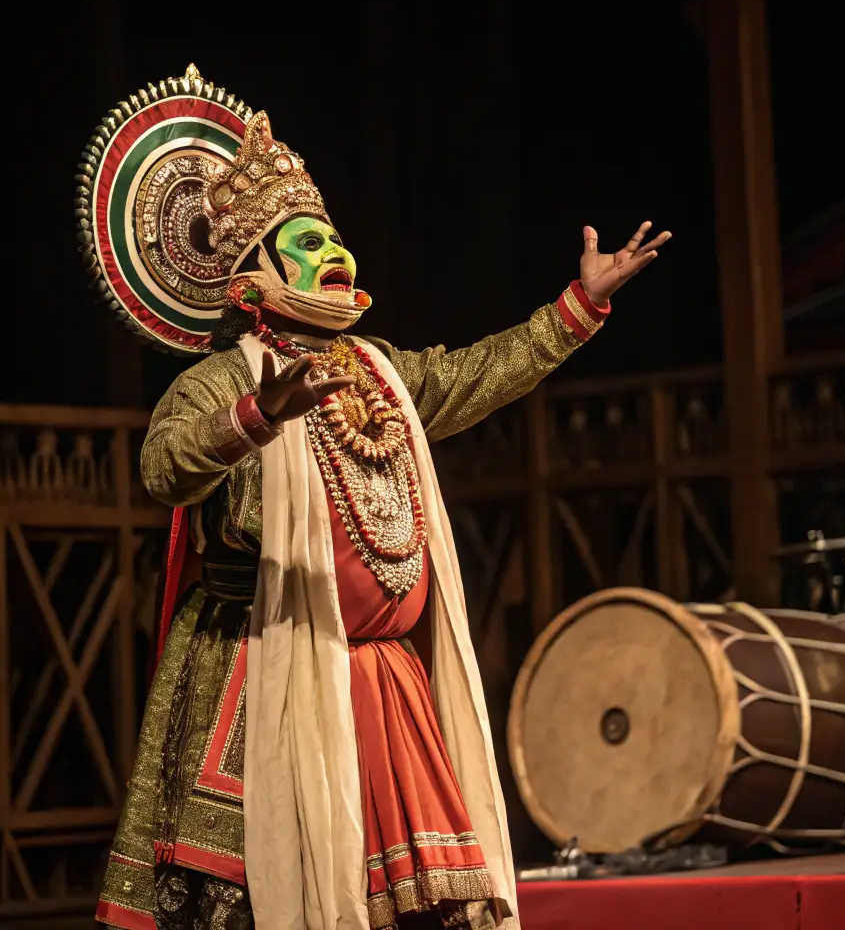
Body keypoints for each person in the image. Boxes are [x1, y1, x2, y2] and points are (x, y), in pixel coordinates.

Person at [80, 66, 668, 930]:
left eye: (334, 237)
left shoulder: (383, 371)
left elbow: (478, 374)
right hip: (261, 671)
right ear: (254, 270)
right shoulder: (216, 381)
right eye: (309, 244)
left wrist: (579, 305)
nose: (337, 255)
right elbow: (163, 469)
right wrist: (256, 415)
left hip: (387, 689)